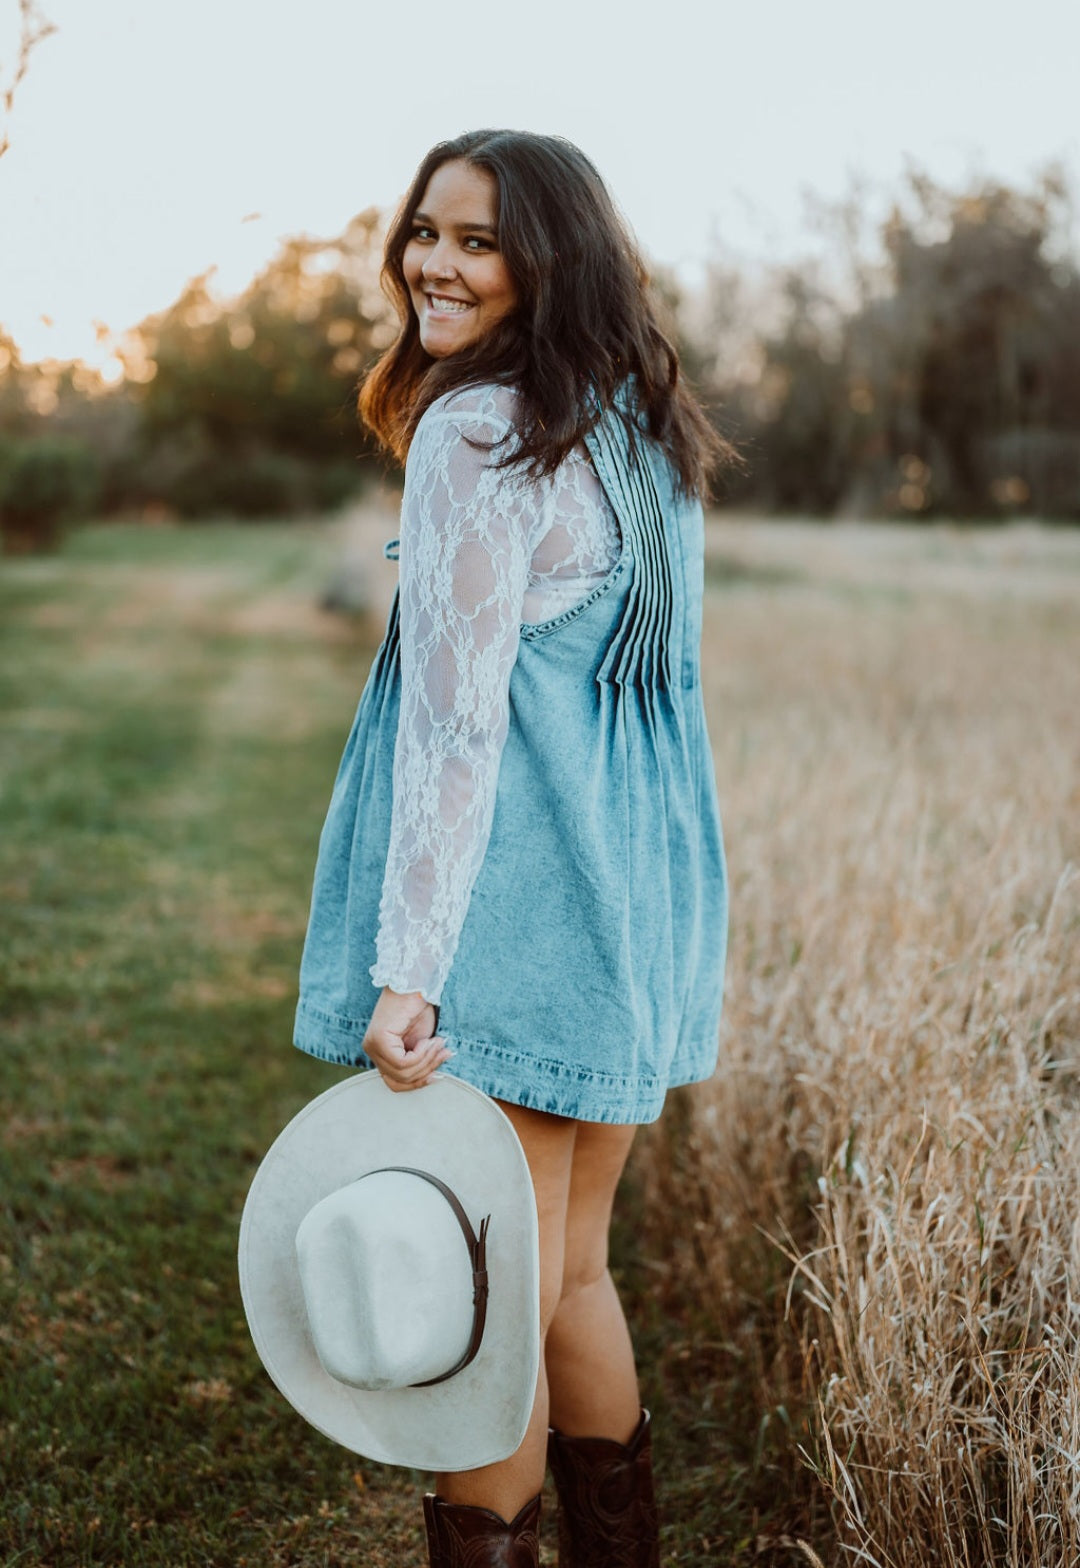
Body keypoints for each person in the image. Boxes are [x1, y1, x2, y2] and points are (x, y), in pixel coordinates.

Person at [293, 128, 739, 1568]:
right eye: (428, 230)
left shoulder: (483, 428)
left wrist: (412, 969)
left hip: (521, 921)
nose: (435, 262)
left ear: (551, 259)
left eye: (479, 241)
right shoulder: (632, 423)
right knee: (568, 1281)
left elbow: (456, 731)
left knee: (483, 1319)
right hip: (628, 913)